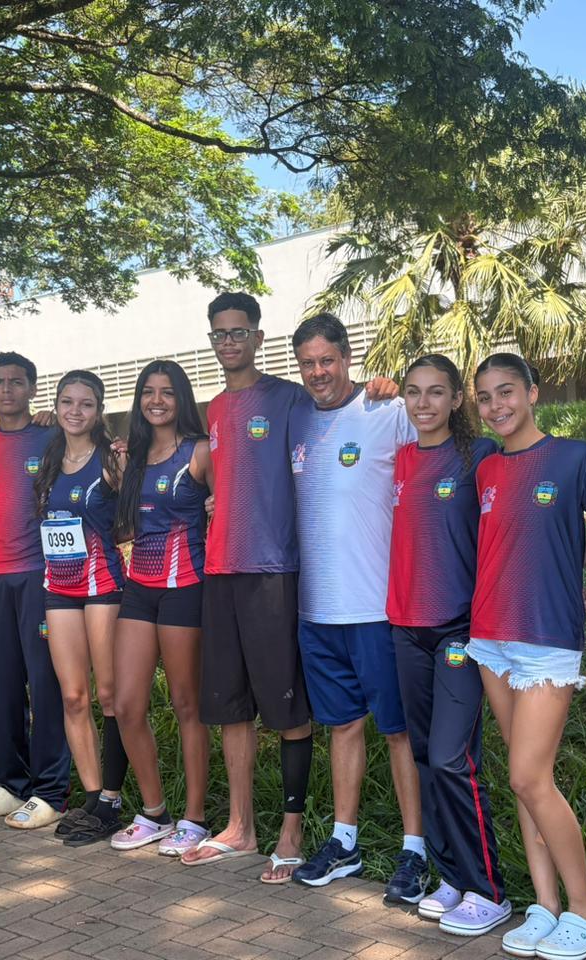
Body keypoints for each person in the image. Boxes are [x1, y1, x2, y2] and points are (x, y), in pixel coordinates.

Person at [181, 292, 395, 881]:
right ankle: (241, 827)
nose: (229, 342)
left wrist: (384, 385)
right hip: (220, 570)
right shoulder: (215, 408)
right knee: (229, 709)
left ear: (257, 336)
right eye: (219, 333)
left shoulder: (292, 397)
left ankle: (292, 831)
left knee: (287, 709)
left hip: (277, 573)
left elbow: (343, 406)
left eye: (239, 331)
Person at [468, 354, 586, 960]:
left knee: (529, 775)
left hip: (549, 637)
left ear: (532, 392)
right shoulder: (485, 468)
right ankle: (545, 906)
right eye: (485, 398)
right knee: (526, 781)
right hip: (489, 636)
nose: (497, 406)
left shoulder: (574, 458)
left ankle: (585, 910)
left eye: (506, 393)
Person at [286, 313, 425, 898]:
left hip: (377, 607)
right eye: (308, 362)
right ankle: (345, 841)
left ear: (347, 358)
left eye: (327, 360)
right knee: (342, 726)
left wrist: (397, 384)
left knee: (397, 732)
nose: (319, 372)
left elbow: (442, 448)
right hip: (316, 611)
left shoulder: (386, 412)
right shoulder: (295, 421)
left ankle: (416, 850)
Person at [387, 354, 509, 934]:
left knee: (451, 758)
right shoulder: (402, 458)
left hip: (459, 627)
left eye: (437, 392)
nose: (424, 403)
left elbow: (518, 520)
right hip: (404, 627)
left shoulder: (479, 455)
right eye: (413, 392)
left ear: (458, 399)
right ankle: (452, 877)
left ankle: (489, 888)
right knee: (421, 756)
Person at [108, 361, 213, 856]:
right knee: (126, 705)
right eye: (148, 392)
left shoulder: (200, 451)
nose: (157, 401)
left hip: (185, 587)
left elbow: (228, 505)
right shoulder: (132, 456)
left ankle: (195, 819)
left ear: (181, 399)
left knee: (187, 705)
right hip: (139, 588)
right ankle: (155, 813)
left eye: (167, 393)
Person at [0, 352, 72, 829]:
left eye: (16, 382)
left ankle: (51, 791)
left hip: (38, 574)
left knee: (44, 682)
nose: (6, 390)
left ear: (31, 387)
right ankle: (13, 785)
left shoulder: (51, 435)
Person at [34, 370, 131, 845]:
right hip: (58, 587)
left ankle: (112, 798)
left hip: (103, 586)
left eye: (86, 403)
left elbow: (133, 517)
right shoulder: (49, 458)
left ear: (99, 410)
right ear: (56, 405)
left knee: (109, 695)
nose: (76, 411)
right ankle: (93, 797)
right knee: (73, 697)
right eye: (67, 402)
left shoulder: (112, 460)